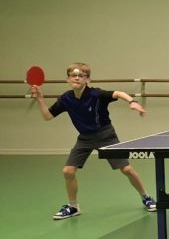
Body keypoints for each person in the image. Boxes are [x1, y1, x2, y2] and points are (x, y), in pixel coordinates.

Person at [30, 62, 156, 221]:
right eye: (73, 75)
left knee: (126, 169)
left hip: (106, 135)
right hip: (84, 138)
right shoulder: (66, 98)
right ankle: (73, 206)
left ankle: (146, 197)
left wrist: (132, 102)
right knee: (68, 171)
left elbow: (118, 93)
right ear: (68, 79)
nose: (76, 78)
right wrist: (40, 99)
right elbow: (47, 116)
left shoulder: (96, 94)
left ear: (87, 79)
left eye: (80, 75)